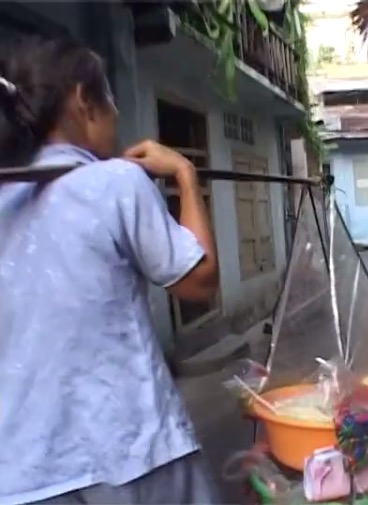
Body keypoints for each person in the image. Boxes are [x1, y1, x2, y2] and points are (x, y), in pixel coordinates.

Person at [0, 37, 222, 504]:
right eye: (111, 100)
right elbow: (199, 282)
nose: (117, 115)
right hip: (128, 455)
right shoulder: (116, 182)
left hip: (21, 476)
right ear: (84, 101)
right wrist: (184, 174)